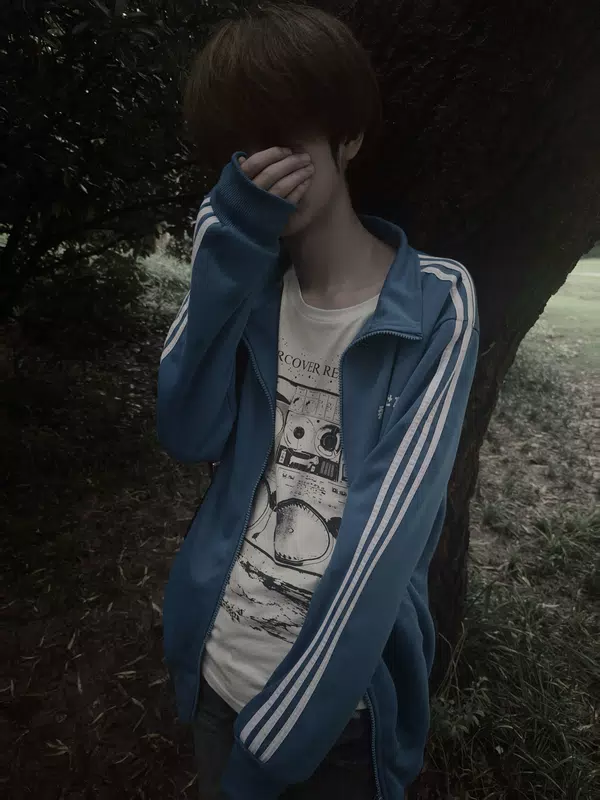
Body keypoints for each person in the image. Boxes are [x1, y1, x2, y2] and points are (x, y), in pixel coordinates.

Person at [157, 3, 479, 799]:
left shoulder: (437, 304)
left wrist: (281, 736)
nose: (267, 166)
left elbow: (388, 537)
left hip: (341, 717)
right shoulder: (247, 288)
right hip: (217, 670)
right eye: (245, 149)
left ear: (349, 137)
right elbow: (187, 432)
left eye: (288, 138)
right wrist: (227, 250)